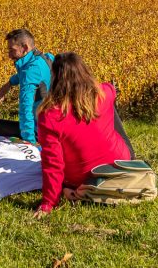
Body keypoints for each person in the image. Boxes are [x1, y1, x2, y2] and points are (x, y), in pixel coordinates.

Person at [33, 52, 135, 217]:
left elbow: (53, 165)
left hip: (83, 179)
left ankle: (68, 190)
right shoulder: (105, 93)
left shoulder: (50, 116)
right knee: (109, 112)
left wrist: (48, 203)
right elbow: (110, 88)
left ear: (56, 79)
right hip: (119, 163)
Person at [0, 29, 54, 143]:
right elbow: (27, 74)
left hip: (41, 129)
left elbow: (26, 108)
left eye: (12, 50)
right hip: (54, 124)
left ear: (24, 48)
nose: (9, 55)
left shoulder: (30, 71)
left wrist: (29, 141)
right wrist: (10, 83)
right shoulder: (46, 58)